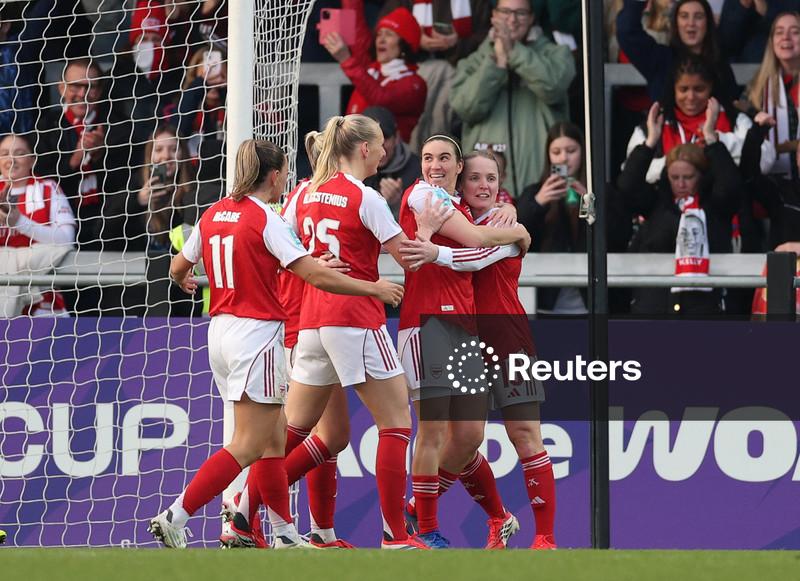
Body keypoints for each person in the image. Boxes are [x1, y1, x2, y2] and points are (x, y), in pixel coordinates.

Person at [148, 138, 405, 549]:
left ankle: (284, 533)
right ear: (272, 175)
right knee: (250, 444)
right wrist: (372, 287)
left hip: (219, 333)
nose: (287, 178)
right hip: (256, 335)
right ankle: (176, 515)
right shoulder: (267, 219)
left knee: (272, 440)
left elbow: (178, 265)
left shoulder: (213, 213)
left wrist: (185, 280)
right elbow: (314, 275)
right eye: (284, 171)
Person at [285, 114, 454, 550]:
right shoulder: (365, 197)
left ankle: (244, 509)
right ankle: (395, 535)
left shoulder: (304, 191)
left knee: (303, 432)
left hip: (310, 321)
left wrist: (312, 261)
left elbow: (278, 245)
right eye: (380, 144)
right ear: (363, 149)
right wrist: (428, 231)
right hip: (356, 318)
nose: (384, 151)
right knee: (396, 423)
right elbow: (409, 259)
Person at [396, 134, 530, 549]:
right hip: (428, 323)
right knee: (433, 431)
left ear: (458, 168)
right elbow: (474, 239)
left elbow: (477, 235)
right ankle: (426, 528)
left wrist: (508, 212)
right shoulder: (424, 196)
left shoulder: (456, 206)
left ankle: (479, 514)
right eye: (427, 157)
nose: (434, 165)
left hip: (464, 328)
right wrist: (518, 231)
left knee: (470, 435)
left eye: (444, 158)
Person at [460, 150, 557, 549]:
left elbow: (473, 257)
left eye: (492, 178)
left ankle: (545, 539)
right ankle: (498, 518)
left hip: (508, 341)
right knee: (460, 442)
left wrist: (517, 227)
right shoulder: (453, 221)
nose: (484, 185)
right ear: (460, 183)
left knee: (526, 434)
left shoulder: (506, 222)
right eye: (475, 178)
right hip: (461, 345)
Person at [615, 103, 745, 316]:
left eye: (688, 177)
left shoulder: (715, 206)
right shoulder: (657, 203)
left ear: (702, 176)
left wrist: (711, 139)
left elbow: (731, 185)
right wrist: (650, 143)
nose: (681, 184)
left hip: (704, 310)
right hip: (653, 308)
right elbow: (627, 187)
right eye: (674, 177)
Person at [450, 0, 576, 197]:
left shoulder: (557, 54)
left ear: (532, 18)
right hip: (484, 192)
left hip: (543, 185)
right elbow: (465, 108)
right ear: (493, 15)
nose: (512, 20)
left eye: (521, 13)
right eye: (505, 12)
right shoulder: (473, 62)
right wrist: (496, 64)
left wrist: (513, 52)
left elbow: (552, 87)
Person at [625, 54, 776, 184]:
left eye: (699, 89)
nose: (691, 97)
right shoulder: (655, 124)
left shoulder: (734, 118)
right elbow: (629, 174)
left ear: (711, 88)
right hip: (667, 206)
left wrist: (719, 141)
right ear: (673, 89)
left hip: (721, 206)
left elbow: (766, 160)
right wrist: (680, 160)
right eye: (683, 89)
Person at [376, 0, 494, 152]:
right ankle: (432, 152)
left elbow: (488, 36)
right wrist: (415, 38)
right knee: (438, 74)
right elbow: (383, 30)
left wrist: (458, 42)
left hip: (463, 69)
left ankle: (429, 153)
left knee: (446, 74)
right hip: (413, 68)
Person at [322, 0, 427, 142]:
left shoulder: (415, 84)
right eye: (379, 34)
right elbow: (357, 29)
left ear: (404, 44)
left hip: (387, 154)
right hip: (353, 148)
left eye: (389, 34)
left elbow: (382, 99)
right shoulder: (372, 68)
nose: (381, 40)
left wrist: (346, 59)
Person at [0, 133, 76, 318]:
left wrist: (20, 222)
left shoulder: (48, 188)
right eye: (4, 153)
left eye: (19, 153)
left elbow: (67, 240)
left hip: (43, 299)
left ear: (32, 160)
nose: (11, 159)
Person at [517, 122, 588, 314]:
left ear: (583, 152)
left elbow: (615, 233)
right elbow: (515, 234)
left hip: (590, 304)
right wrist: (538, 202)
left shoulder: (598, 190)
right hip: (545, 304)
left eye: (571, 151)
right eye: (556, 152)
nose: (564, 158)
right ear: (548, 156)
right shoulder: (534, 192)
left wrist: (588, 203)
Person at [616, 0, 739, 104]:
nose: (691, 23)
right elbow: (627, 31)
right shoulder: (660, 60)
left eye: (698, 17)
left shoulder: (720, 65)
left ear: (708, 23)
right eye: (684, 16)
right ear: (675, 23)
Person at [744, 12, 800, 180]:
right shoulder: (757, 86)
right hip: (773, 183)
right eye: (779, 32)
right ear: (772, 41)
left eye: (795, 32)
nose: (786, 37)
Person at [362, 106, 421, 218]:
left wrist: (396, 205)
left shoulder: (417, 171)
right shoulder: (349, 171)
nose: (379, 147)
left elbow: (418, 223)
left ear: (397, 137)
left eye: (385, 137)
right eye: (371, 139)